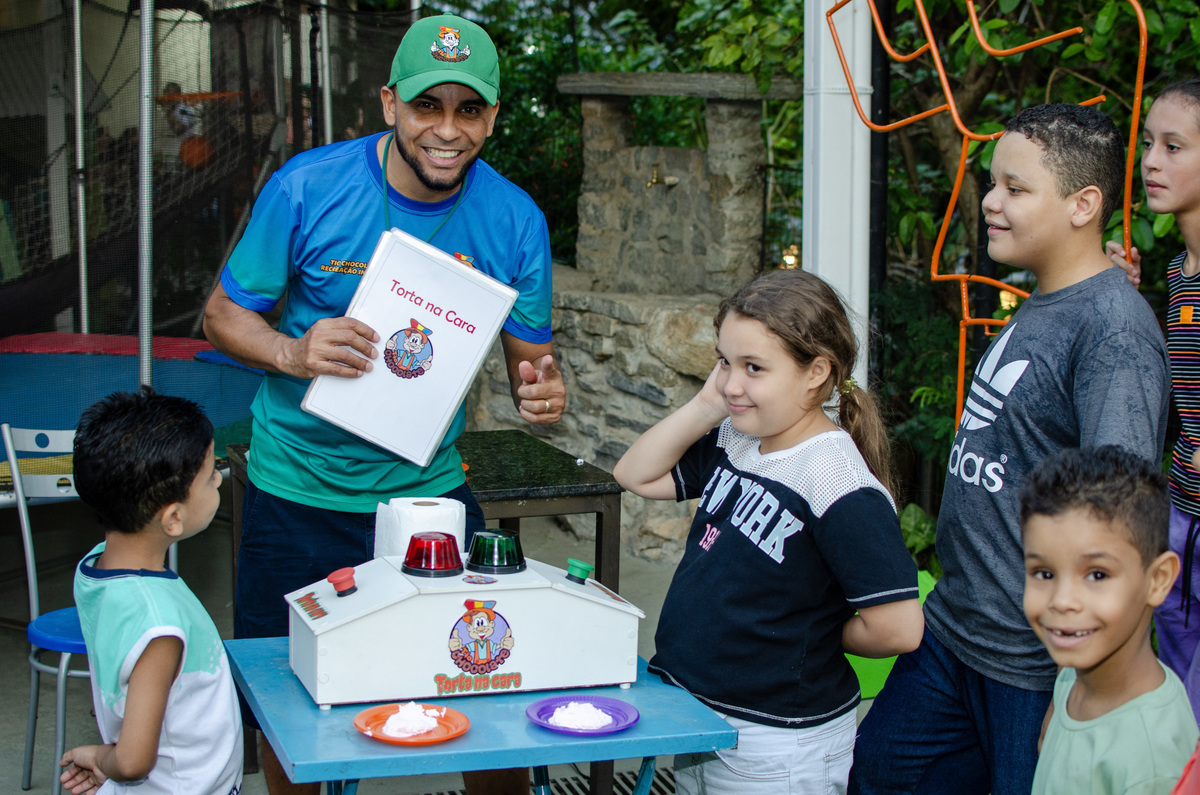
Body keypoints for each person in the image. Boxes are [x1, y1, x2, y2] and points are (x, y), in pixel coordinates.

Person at [201, 13, 561, 795]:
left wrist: (544, 388)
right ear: (390, 103)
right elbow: (224, 314)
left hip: (427, 501)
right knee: (288, 710)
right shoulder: (306, 186)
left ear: (493, 117)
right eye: (429, 106)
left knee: (484, 689)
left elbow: (532, 359)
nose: (448, 130)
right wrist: (292, 352)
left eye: (470, 110)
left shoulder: (515, 219)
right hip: (294, 490)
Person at [848, 103, 1171, 795]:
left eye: (1015, 189)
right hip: (953, 632)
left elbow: (1120, 522)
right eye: (995, 183)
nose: (990, 201)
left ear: (1084, 204)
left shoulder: (1114, 330)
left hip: (1033, 667)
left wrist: (1083, 686)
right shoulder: (1046, 300)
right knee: (878, 770)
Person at [613, 268, 924, 794]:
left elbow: (898, 628)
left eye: (754, 367)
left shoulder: (838, 484)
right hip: (699, 715)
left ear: (815, 372)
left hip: (777, 744)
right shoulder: (739, 439)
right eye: (725, 362)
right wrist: (706, 406)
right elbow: (635, 474)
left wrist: (816, 632)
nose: (733, 384)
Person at [58, 387, 241, 795]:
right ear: (173, 518)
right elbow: (132, 761)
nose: (217, 480)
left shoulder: (95, 566)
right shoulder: (159, 626)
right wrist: (100, 758)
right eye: (211, 476)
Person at [1020, 445, 1196, 794]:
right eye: (1043, 573)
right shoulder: (1073, 673)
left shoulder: (1153, 760)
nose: (1062, 601)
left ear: (1158, 580)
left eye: (1097, 575)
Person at [1109, 77, 1200, 730]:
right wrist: (1132, 300)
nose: (1151, 163)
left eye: (1173, 147)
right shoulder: (1177, 272)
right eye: (1149, 145)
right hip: (1178, 518)